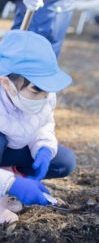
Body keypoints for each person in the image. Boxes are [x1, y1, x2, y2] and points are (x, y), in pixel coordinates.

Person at [0, 30, 75, 224]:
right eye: (36, 90)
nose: (43, 98)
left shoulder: (43, 95)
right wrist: (12, 184)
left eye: (47, 91)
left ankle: (7, 183)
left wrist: (43, 147)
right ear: (7, 84)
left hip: (11, 151)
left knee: (63, 161)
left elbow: (44, 124)